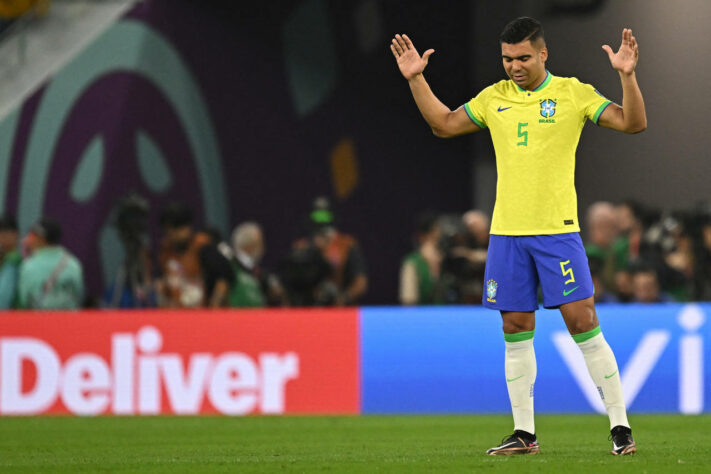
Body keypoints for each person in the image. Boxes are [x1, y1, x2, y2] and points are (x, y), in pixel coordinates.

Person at [391, 17, 645, 455]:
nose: (515, 66)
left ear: (543, 54)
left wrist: (627, 76)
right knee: (514, 326)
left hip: (557, 232)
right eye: (507, 59)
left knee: (582, 322)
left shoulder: (573, 93)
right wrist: (416, 80)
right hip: (507, 235)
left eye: (523, 57)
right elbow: (444, 125)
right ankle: (524, 433)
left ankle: (620, 428)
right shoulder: (495, 98)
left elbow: (632, 123)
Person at [157, 203, 233, 308]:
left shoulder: (203, 247)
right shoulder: (166, 250)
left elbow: (224, 278)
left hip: (203, 314)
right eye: (168, 232)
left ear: (187, 228)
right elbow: (161, 284)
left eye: (176, 231)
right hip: (176, 315)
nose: (172, 236)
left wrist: (214, 308)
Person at [17, 217, 84, 310]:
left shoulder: (29, 265)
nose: (26, 239)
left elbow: (24, 300)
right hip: (68, 321)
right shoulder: (73, 263)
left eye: (31, 235)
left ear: (41, 239)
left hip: (39, 321)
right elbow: (79, 295)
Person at [399, 212, 443, 305]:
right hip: (422, 316)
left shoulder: (445, 260)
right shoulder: (412, 263)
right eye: (432, 236)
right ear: (423, 237)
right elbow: (408, 301)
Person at [0, 215, 21, 309]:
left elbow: (3, 298)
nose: (2, 239)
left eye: (5, 234)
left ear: (15, 234)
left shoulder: (14, 260)